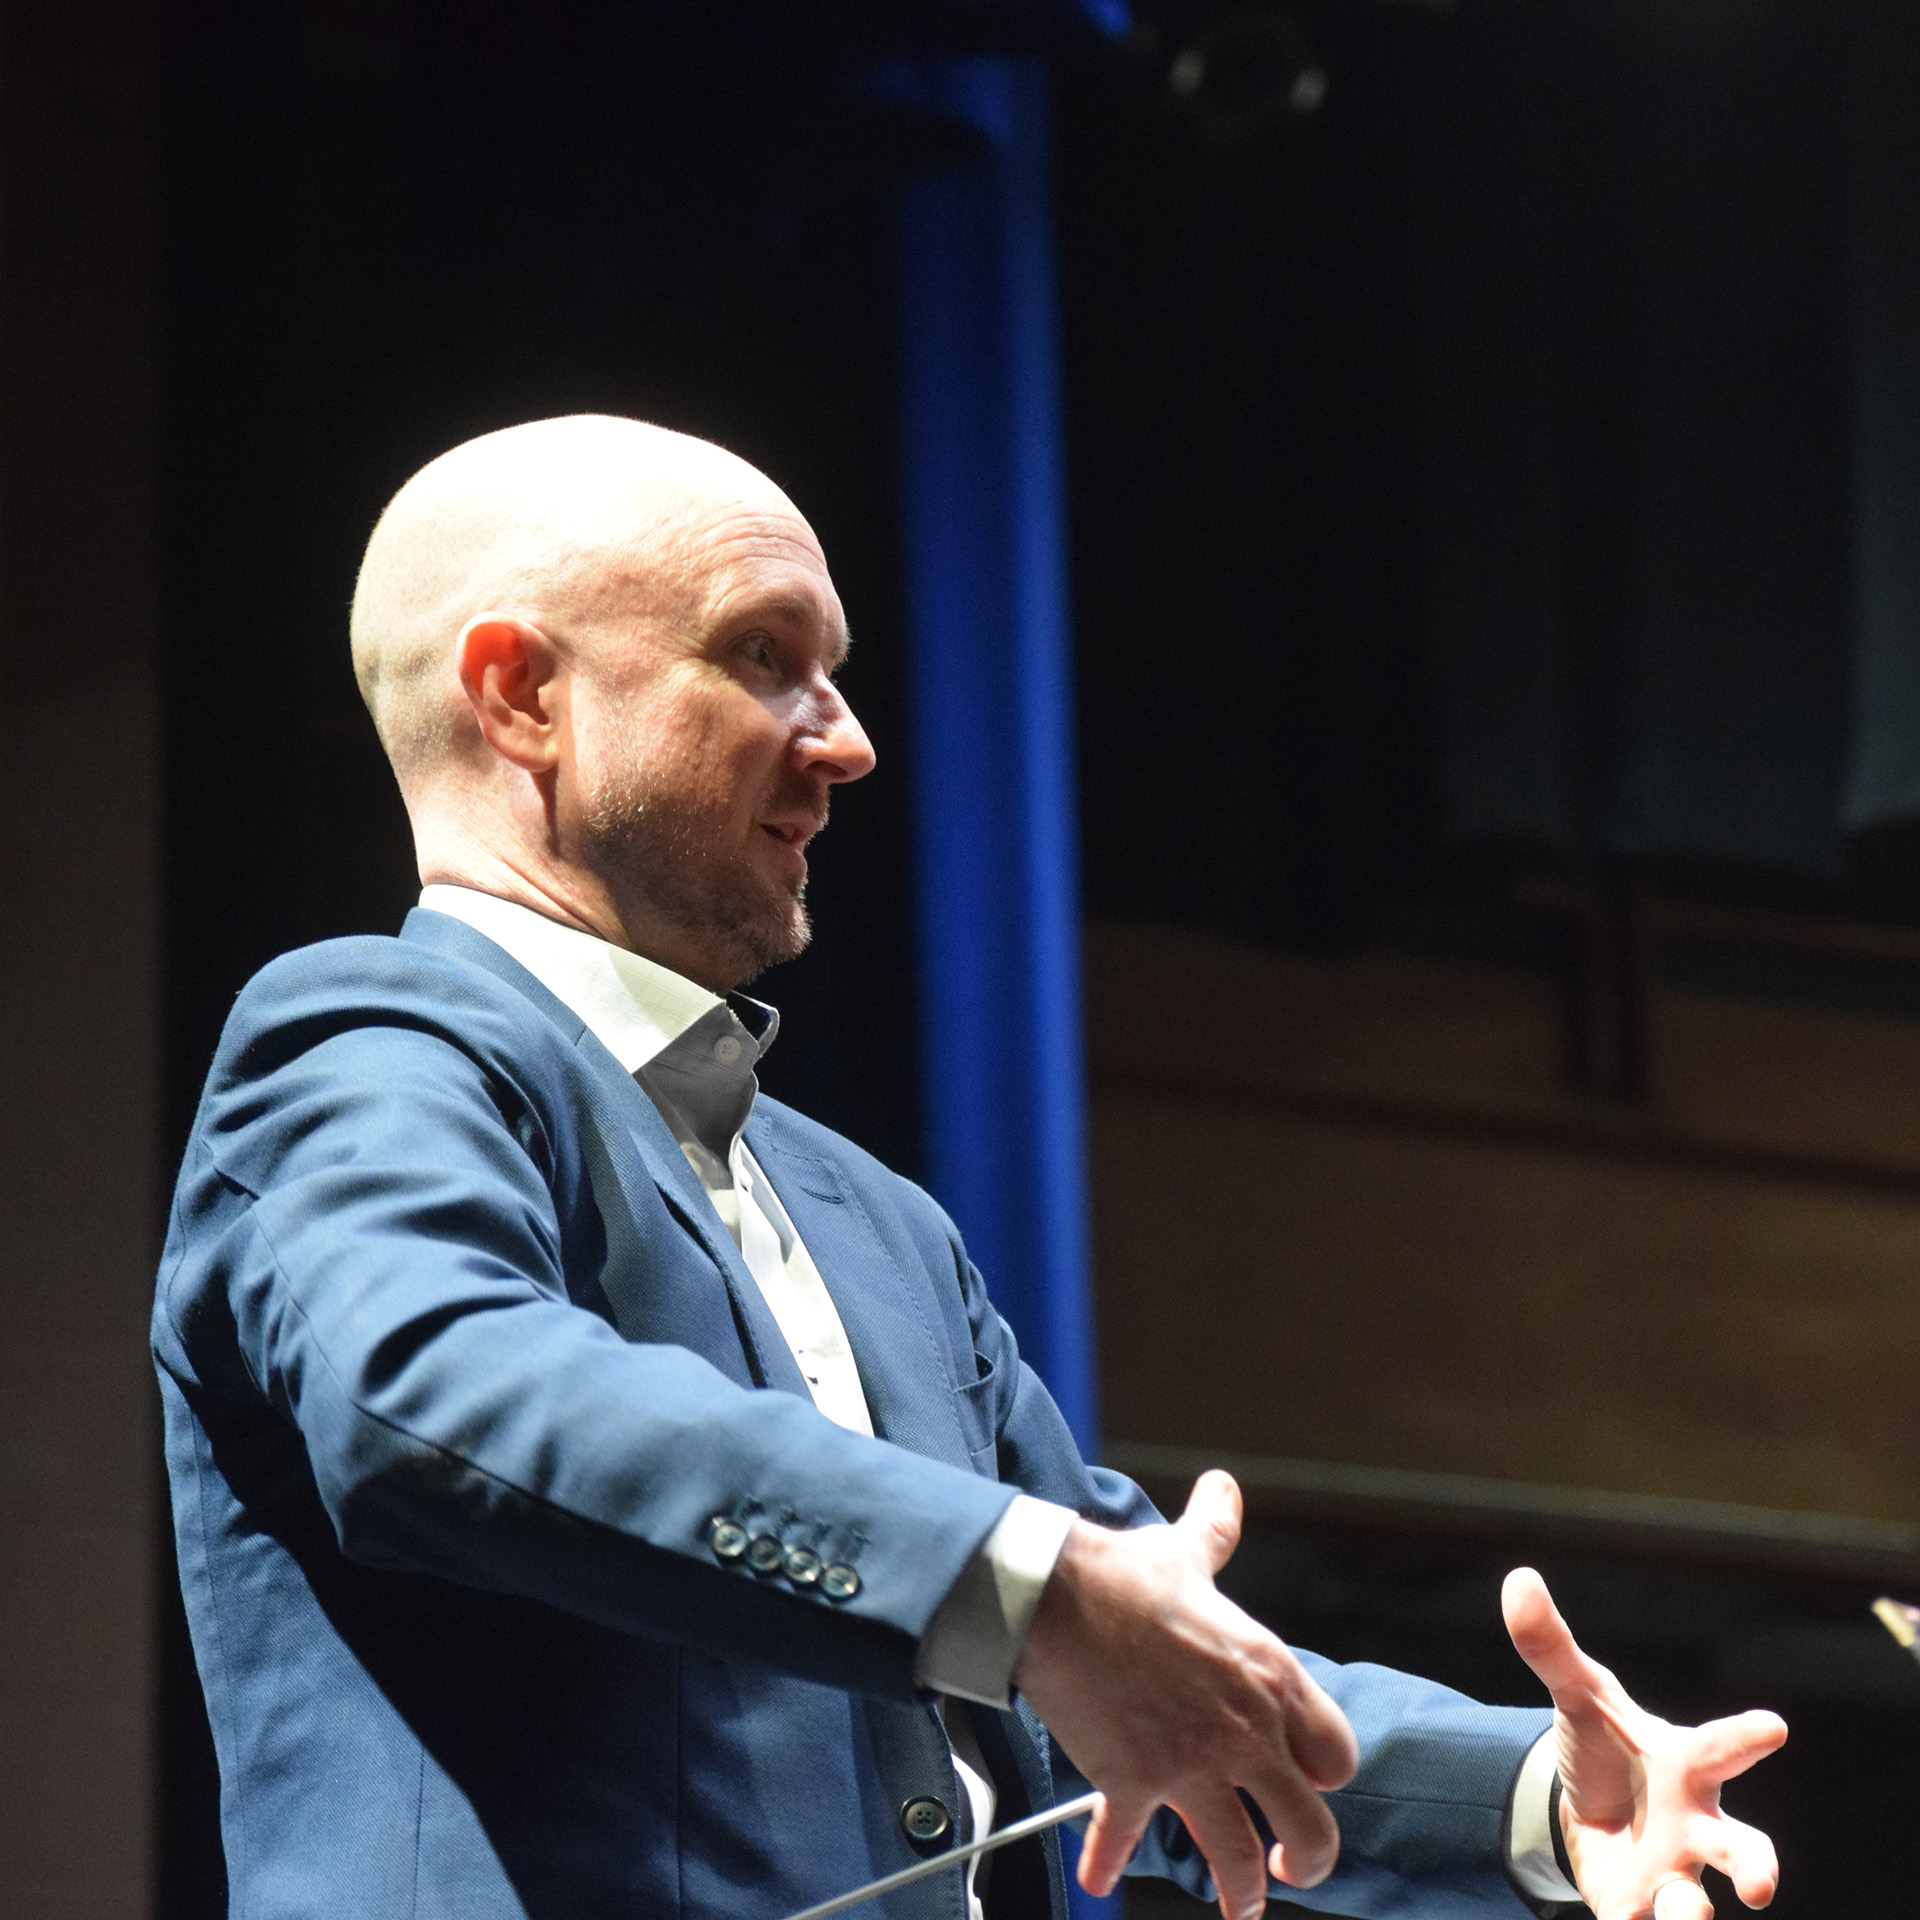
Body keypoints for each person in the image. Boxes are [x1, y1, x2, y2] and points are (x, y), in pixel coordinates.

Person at [154, 415, 1786, 1920]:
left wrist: (1537, 1799)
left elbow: (1134, 1648)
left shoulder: (880, 1226)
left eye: (837, 674)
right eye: (764, 658)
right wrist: (1025, 1589)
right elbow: (427, 1394)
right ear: (521, 697)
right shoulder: (365, 1040)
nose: (849, 740)